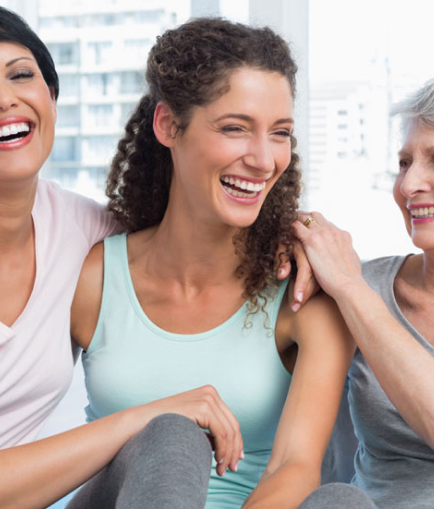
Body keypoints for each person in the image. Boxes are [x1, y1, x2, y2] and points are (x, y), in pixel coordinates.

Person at [0, 3, 311, 508]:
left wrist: (309, 238)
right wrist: (143, 417)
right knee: (171, 434)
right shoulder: (90, 265)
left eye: (22, 75)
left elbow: (188, 230)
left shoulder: (85, 234)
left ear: (50, 99)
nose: (3, 98)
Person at [70, 17, 376, 509]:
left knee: (343, 502)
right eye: (235, 128)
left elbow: (293, 466)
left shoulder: (305, 287)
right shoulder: (96, 277)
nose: (263, 159)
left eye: (280, 133)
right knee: (172, 436)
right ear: (169, 125)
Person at [295, 68, 434, 508]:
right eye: (404, 162)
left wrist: (347, 285)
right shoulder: (361, 286)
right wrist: (292, 236)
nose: (408, 185)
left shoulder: (353, 289)